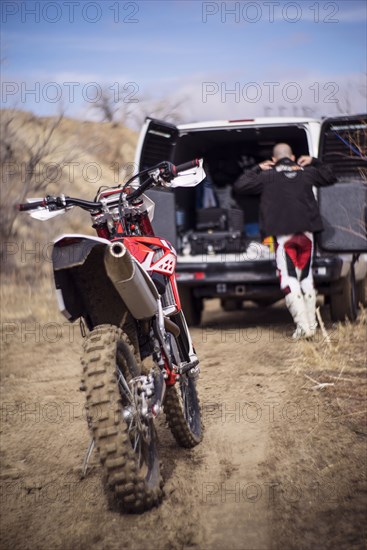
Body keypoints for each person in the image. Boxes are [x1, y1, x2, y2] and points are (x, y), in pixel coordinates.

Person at [234, 143, 336, 339]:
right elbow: (331, 175)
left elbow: (240, 185)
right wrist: (314, 161)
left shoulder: (266, 177)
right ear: (294, 156)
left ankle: (303, 327)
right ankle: (311, 326)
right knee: (306, 277)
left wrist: (257, 168)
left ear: (273, 160)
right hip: (307, 234)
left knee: (288, 278)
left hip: (283, 236)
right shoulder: (306, 172)